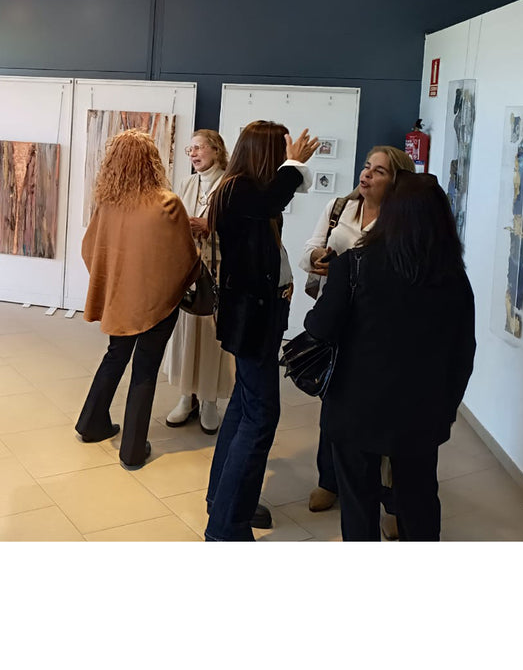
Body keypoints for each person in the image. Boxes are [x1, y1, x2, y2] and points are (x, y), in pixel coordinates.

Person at [303, 171, 476, 541]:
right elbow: (464, 352)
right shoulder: (453, 277)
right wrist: (446, 407)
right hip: (421, 413)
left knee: (357, 503)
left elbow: (320, 327)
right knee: (419, 499)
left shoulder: (354, 264)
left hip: (355, 407)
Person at [203, 121, 318, 540]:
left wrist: (292, 165)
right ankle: (226, 526)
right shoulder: (239, 190)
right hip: (251, 321)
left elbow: (279, 199)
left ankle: (225, 503)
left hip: (256, 319)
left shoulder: (244, 190)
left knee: (244, 407)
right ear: (267, 154)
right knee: (261, 415)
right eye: (281, 150)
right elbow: (275, 198)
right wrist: (295, 162)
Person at [300, 145, 415, 536]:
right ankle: (329, 480)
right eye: (367, 167)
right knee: (334, 404)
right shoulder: (339, 208)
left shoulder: (404, 222)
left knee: (388, 419)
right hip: (338, 323)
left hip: (383, 331)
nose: (366, 175)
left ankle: (392, 501)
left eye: (379, 171)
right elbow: (308, 249)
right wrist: (316, 256)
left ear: (395, 181)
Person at [76, 129, 202, 470]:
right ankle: (131, 449)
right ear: (152, 161)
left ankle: (90, 424)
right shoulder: (167, 203)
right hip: (157, 303)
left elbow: (90, 250)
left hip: (120, 299)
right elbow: (185, 258)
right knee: (145, 369)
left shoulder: (107, 203)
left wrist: (114, 283)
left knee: (115, 355)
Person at [162, 129, 234, 434]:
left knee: (212, 336)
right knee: (188, 331)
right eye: (189, 149)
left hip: (219, 274)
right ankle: (186, 397)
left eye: (198, 148)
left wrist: (210, 227)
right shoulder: (187, 183)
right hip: (189, 272)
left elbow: (241, 232)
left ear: (216, 151)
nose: (192, 154)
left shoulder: (231, 186)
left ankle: (209, 401)